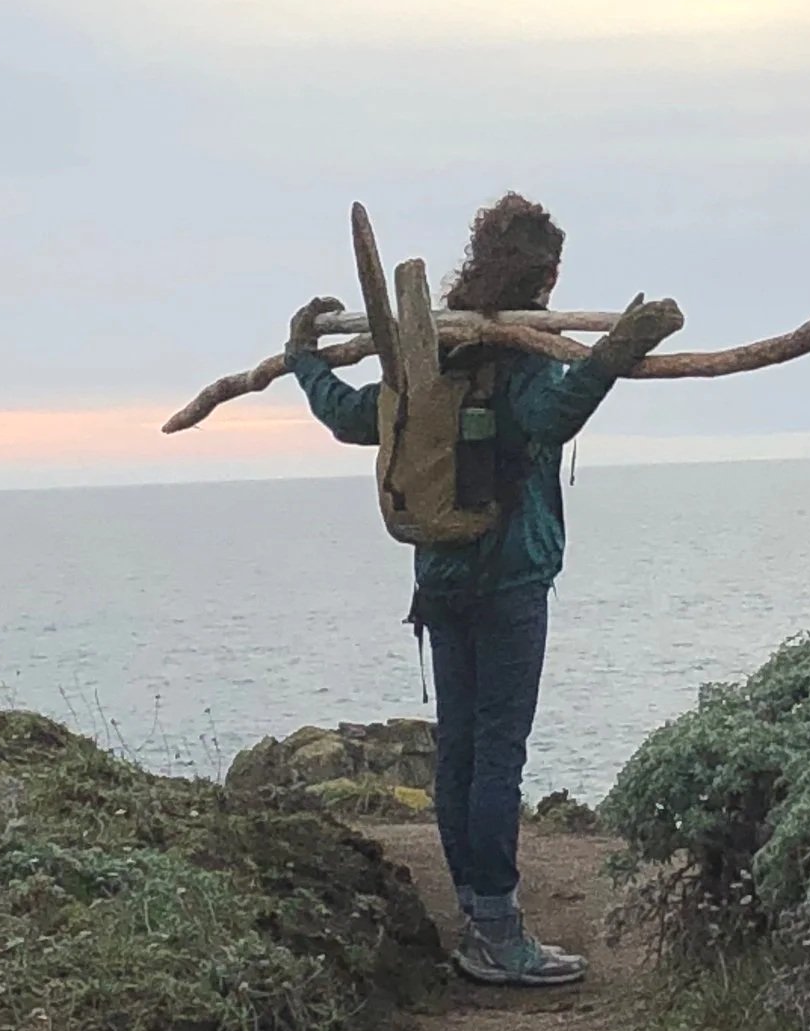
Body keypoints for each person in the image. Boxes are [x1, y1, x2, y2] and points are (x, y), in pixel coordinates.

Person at [284, 193, 681, 989]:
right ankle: (498, 930)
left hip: (439, 579)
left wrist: (302, 359)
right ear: (547, 272)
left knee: (459, 749)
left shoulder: (429, 355)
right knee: (498, 751)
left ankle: (474, 911)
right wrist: (611, 353)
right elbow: (551, 414)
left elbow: (358, 416)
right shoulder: (518, 355)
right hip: (508, 582)